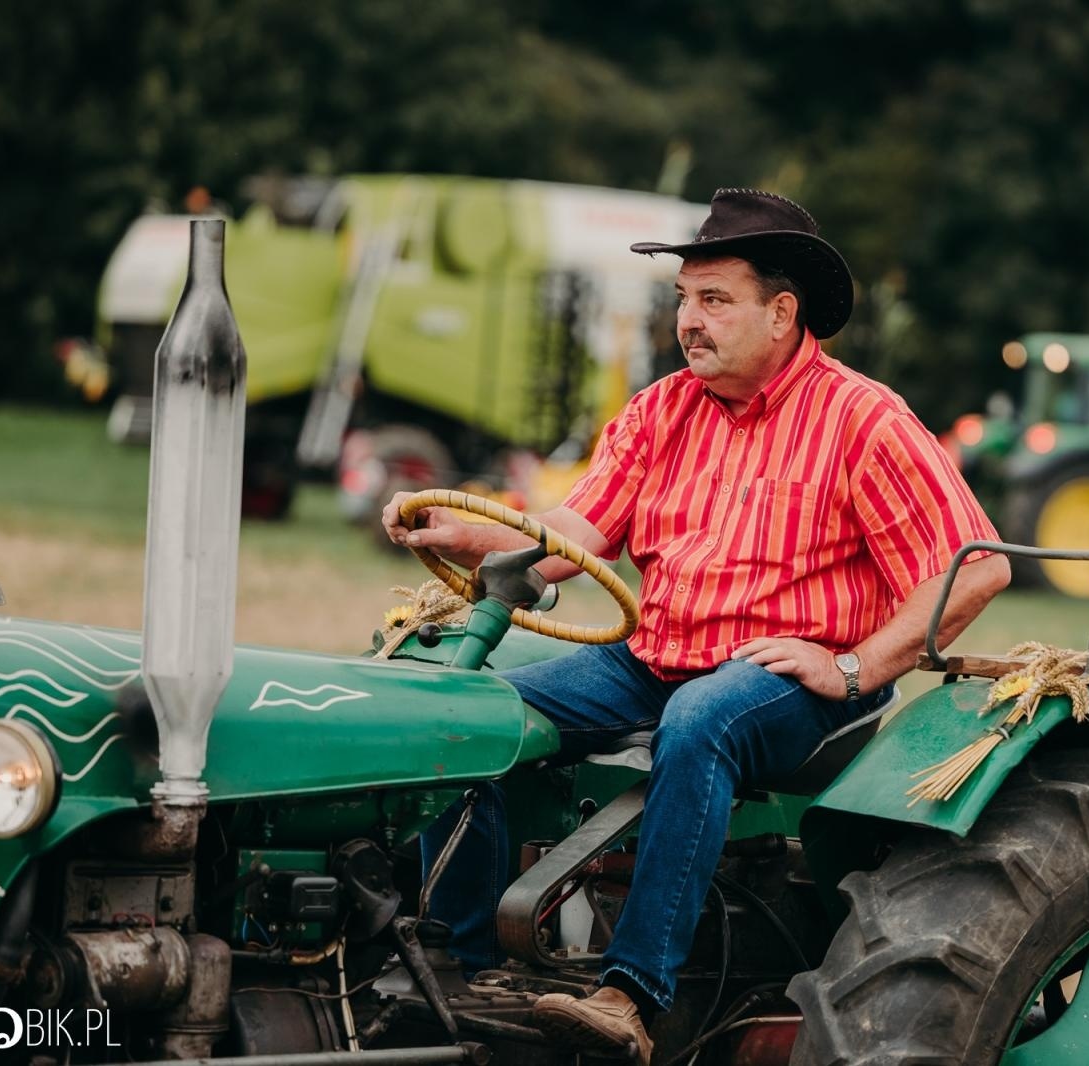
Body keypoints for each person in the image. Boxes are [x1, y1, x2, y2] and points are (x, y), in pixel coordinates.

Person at [382, 188, 1009, 1063]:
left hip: (787, 676)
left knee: (704, 719)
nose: (689, 320)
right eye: (684, 298)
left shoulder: (864, 420)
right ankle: (463, 971)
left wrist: (857, 667)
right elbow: (571, 543)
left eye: (715, 300)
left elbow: (976, 565)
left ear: (782, 313)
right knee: (459, 709)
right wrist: (465, 531)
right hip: (654, 655)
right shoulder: (663, 410)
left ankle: (631, 995)